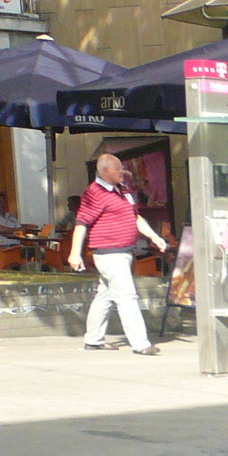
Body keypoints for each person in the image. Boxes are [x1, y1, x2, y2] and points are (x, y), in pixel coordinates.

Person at [68, 152, 167, 355]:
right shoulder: (94, 193)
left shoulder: (123, 189)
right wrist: (75, 253)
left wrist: (153, 236)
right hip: (110, 253)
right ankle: (140, 343)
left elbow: (135, 217)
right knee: (127, 296)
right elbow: (81, 223)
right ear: (105, 171)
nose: (123, 172)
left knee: (105, 296)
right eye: (118, 169)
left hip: (123, 251)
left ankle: (93, 340)